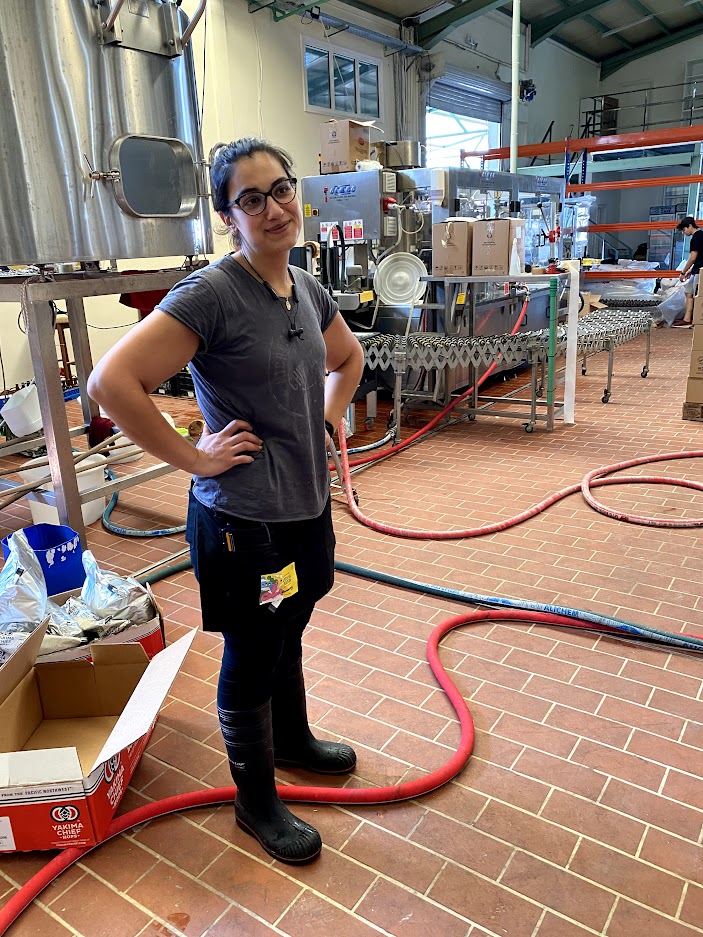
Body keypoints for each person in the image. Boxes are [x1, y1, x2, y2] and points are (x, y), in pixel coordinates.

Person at [88, 137, 364, 864]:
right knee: (254, 645)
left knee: (290, 620)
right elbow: (111, 384)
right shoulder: (211, 294)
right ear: (226, 216)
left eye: (281, 190)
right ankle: (255, 799)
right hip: (246, 523)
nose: (274, 209)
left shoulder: (304, 286)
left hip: (304, 508)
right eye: (251, 199)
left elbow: (348, 358)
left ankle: (293, 741)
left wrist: (327, 416)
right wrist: (194, 457)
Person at [674, 216, 703, 327]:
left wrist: (683, 272)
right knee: (689, 292)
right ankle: (687, 319)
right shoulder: (700, 235)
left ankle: (697, 321)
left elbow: (693, 257)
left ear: (690, 226)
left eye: (684, 229)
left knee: (697, 295)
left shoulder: (696, 237)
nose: (684, 232)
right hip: (697, 269)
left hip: (700, 271)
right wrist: (691, 270)